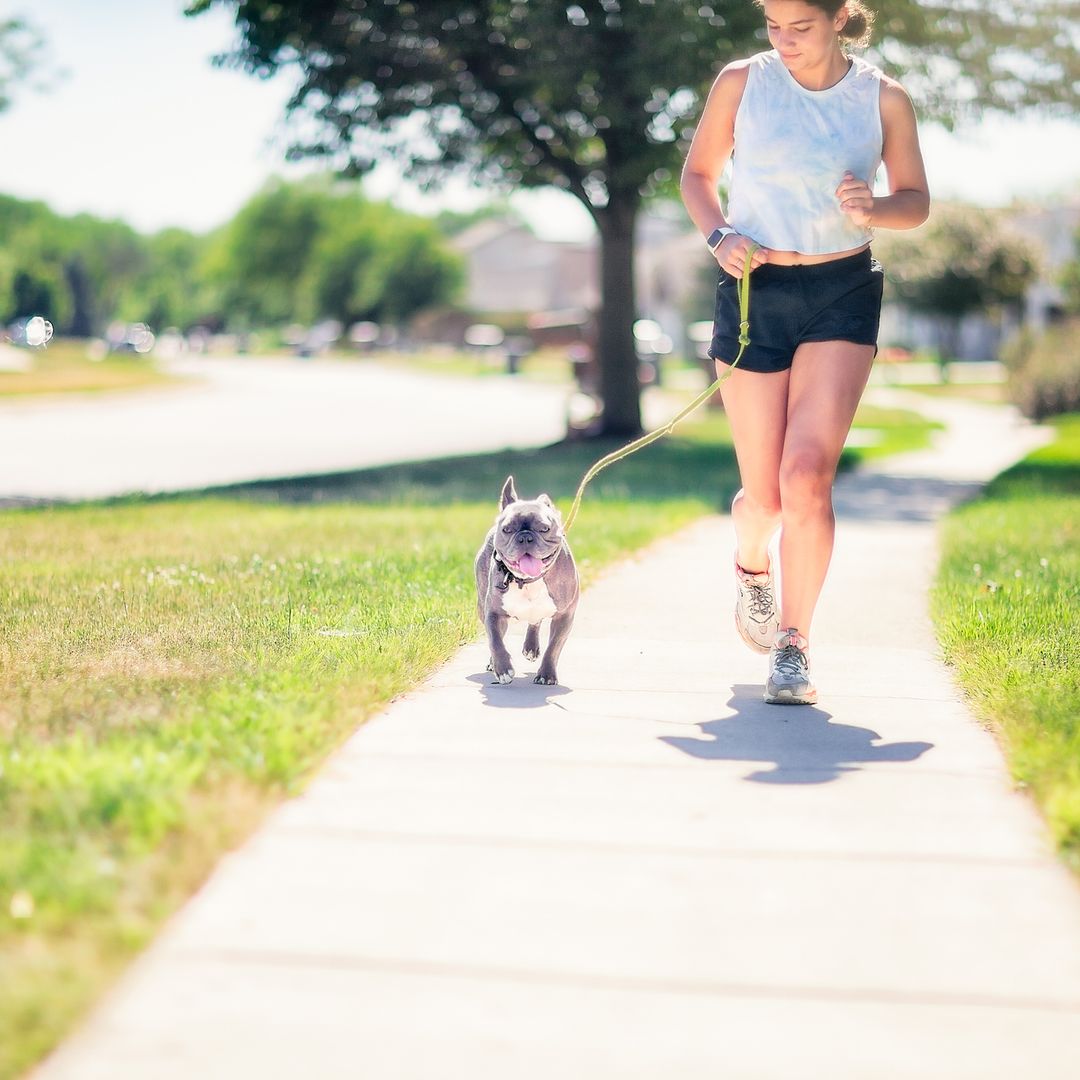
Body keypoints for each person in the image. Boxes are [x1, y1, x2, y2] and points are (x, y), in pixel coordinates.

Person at [680, 0, 929, 704]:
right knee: (764, 497)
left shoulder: (882, 98)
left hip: (841, 289)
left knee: (808, 476)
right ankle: (751, 565)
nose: (785, 43)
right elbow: (698, 178)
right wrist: (719, 237)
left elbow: (916, 200)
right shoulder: (741, 82)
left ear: (839, 17)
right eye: (773, 27)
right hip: (754, 289)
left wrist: (875, 208)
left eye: (802, 28)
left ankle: (793, 646)